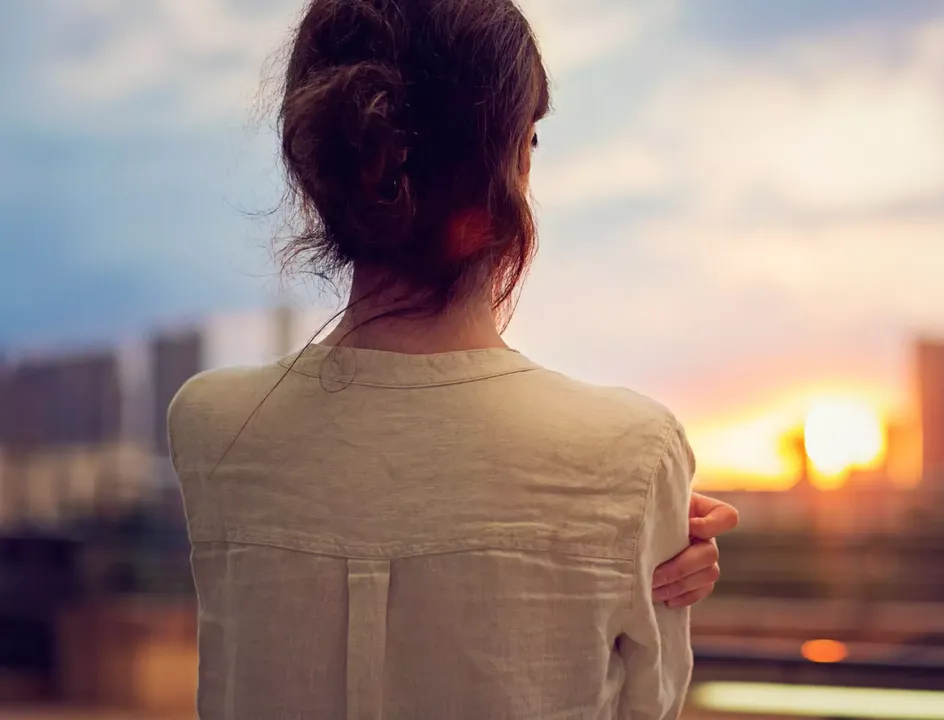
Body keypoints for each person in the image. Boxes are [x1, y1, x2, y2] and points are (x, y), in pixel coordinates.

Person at [165, 0, 738, 718]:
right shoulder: (636, 448)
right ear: (516, 157)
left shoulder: (212, 426)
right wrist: (630, 514)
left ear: (326, 165)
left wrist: (629, 509)